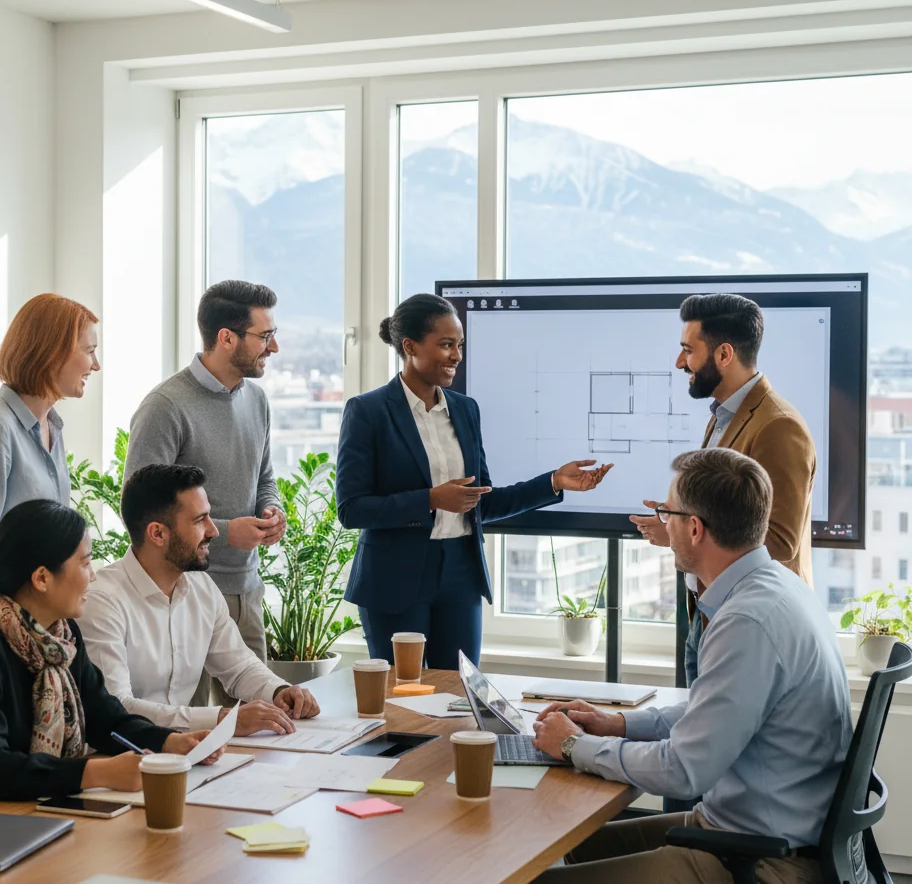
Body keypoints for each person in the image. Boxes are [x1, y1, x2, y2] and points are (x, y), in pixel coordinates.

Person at [510, 448, 851, 884]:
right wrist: (617, 723)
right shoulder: (778, 588)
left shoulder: (747, 621)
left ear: (694, 529)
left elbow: (685, 770)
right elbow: (714, 709)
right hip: (768, 840)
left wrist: (574, 745)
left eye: (666, 515)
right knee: (581, 849)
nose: (661, 525)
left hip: (766, 869)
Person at [336, 294, 613, 669]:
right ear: (410, 346)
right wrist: (431, 499)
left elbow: (482, 502)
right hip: (395, 580)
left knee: (461, 697)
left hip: (461, 574)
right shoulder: (368, 411)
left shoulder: (465, 410)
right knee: (403, 700)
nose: (456, 356)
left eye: (460, 345)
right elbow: (352, 510)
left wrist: (554, 482)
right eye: (446, 345)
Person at [0, 500, 220, 813]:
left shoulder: (61, 637)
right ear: (42, 578)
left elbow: (105, 718)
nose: (93, 576)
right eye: (85, 564)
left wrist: (170, 742)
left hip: (24, 812)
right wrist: (95, 773)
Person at [629, 293, 816, 685]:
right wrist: (681, 522)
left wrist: (685, 532)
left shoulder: (778, 427)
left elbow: (780, 543)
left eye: (687, 350)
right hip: (709, 614)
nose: (681, 363)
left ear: (724, 354)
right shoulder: (722, 417)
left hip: (750, 626)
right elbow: (728, 512)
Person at [80, 464, 318, 734]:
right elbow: (117, 707)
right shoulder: (101, 601)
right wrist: (222, 720)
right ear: (157, 533)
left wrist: (280, 690)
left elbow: (239, 666)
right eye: (199, 520)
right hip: (118, 759)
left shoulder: (201, 587)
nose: (214, 531)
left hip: (184, 755)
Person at [124, 281, 285, 680]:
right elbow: (140, 507)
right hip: (186, 593)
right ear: (226, 338)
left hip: (246, 588)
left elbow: (264, 475)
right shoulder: (165, 407)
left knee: (262, 723)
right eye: (265, 337)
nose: (274, 348)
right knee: (188, 730)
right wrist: (229, 533)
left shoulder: (257, 400)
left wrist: (272, 508)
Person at [0, 293, 101, 604]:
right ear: (53, 353)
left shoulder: (52, 428)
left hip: (34, 623)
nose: (95, 365)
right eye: (89, 351)